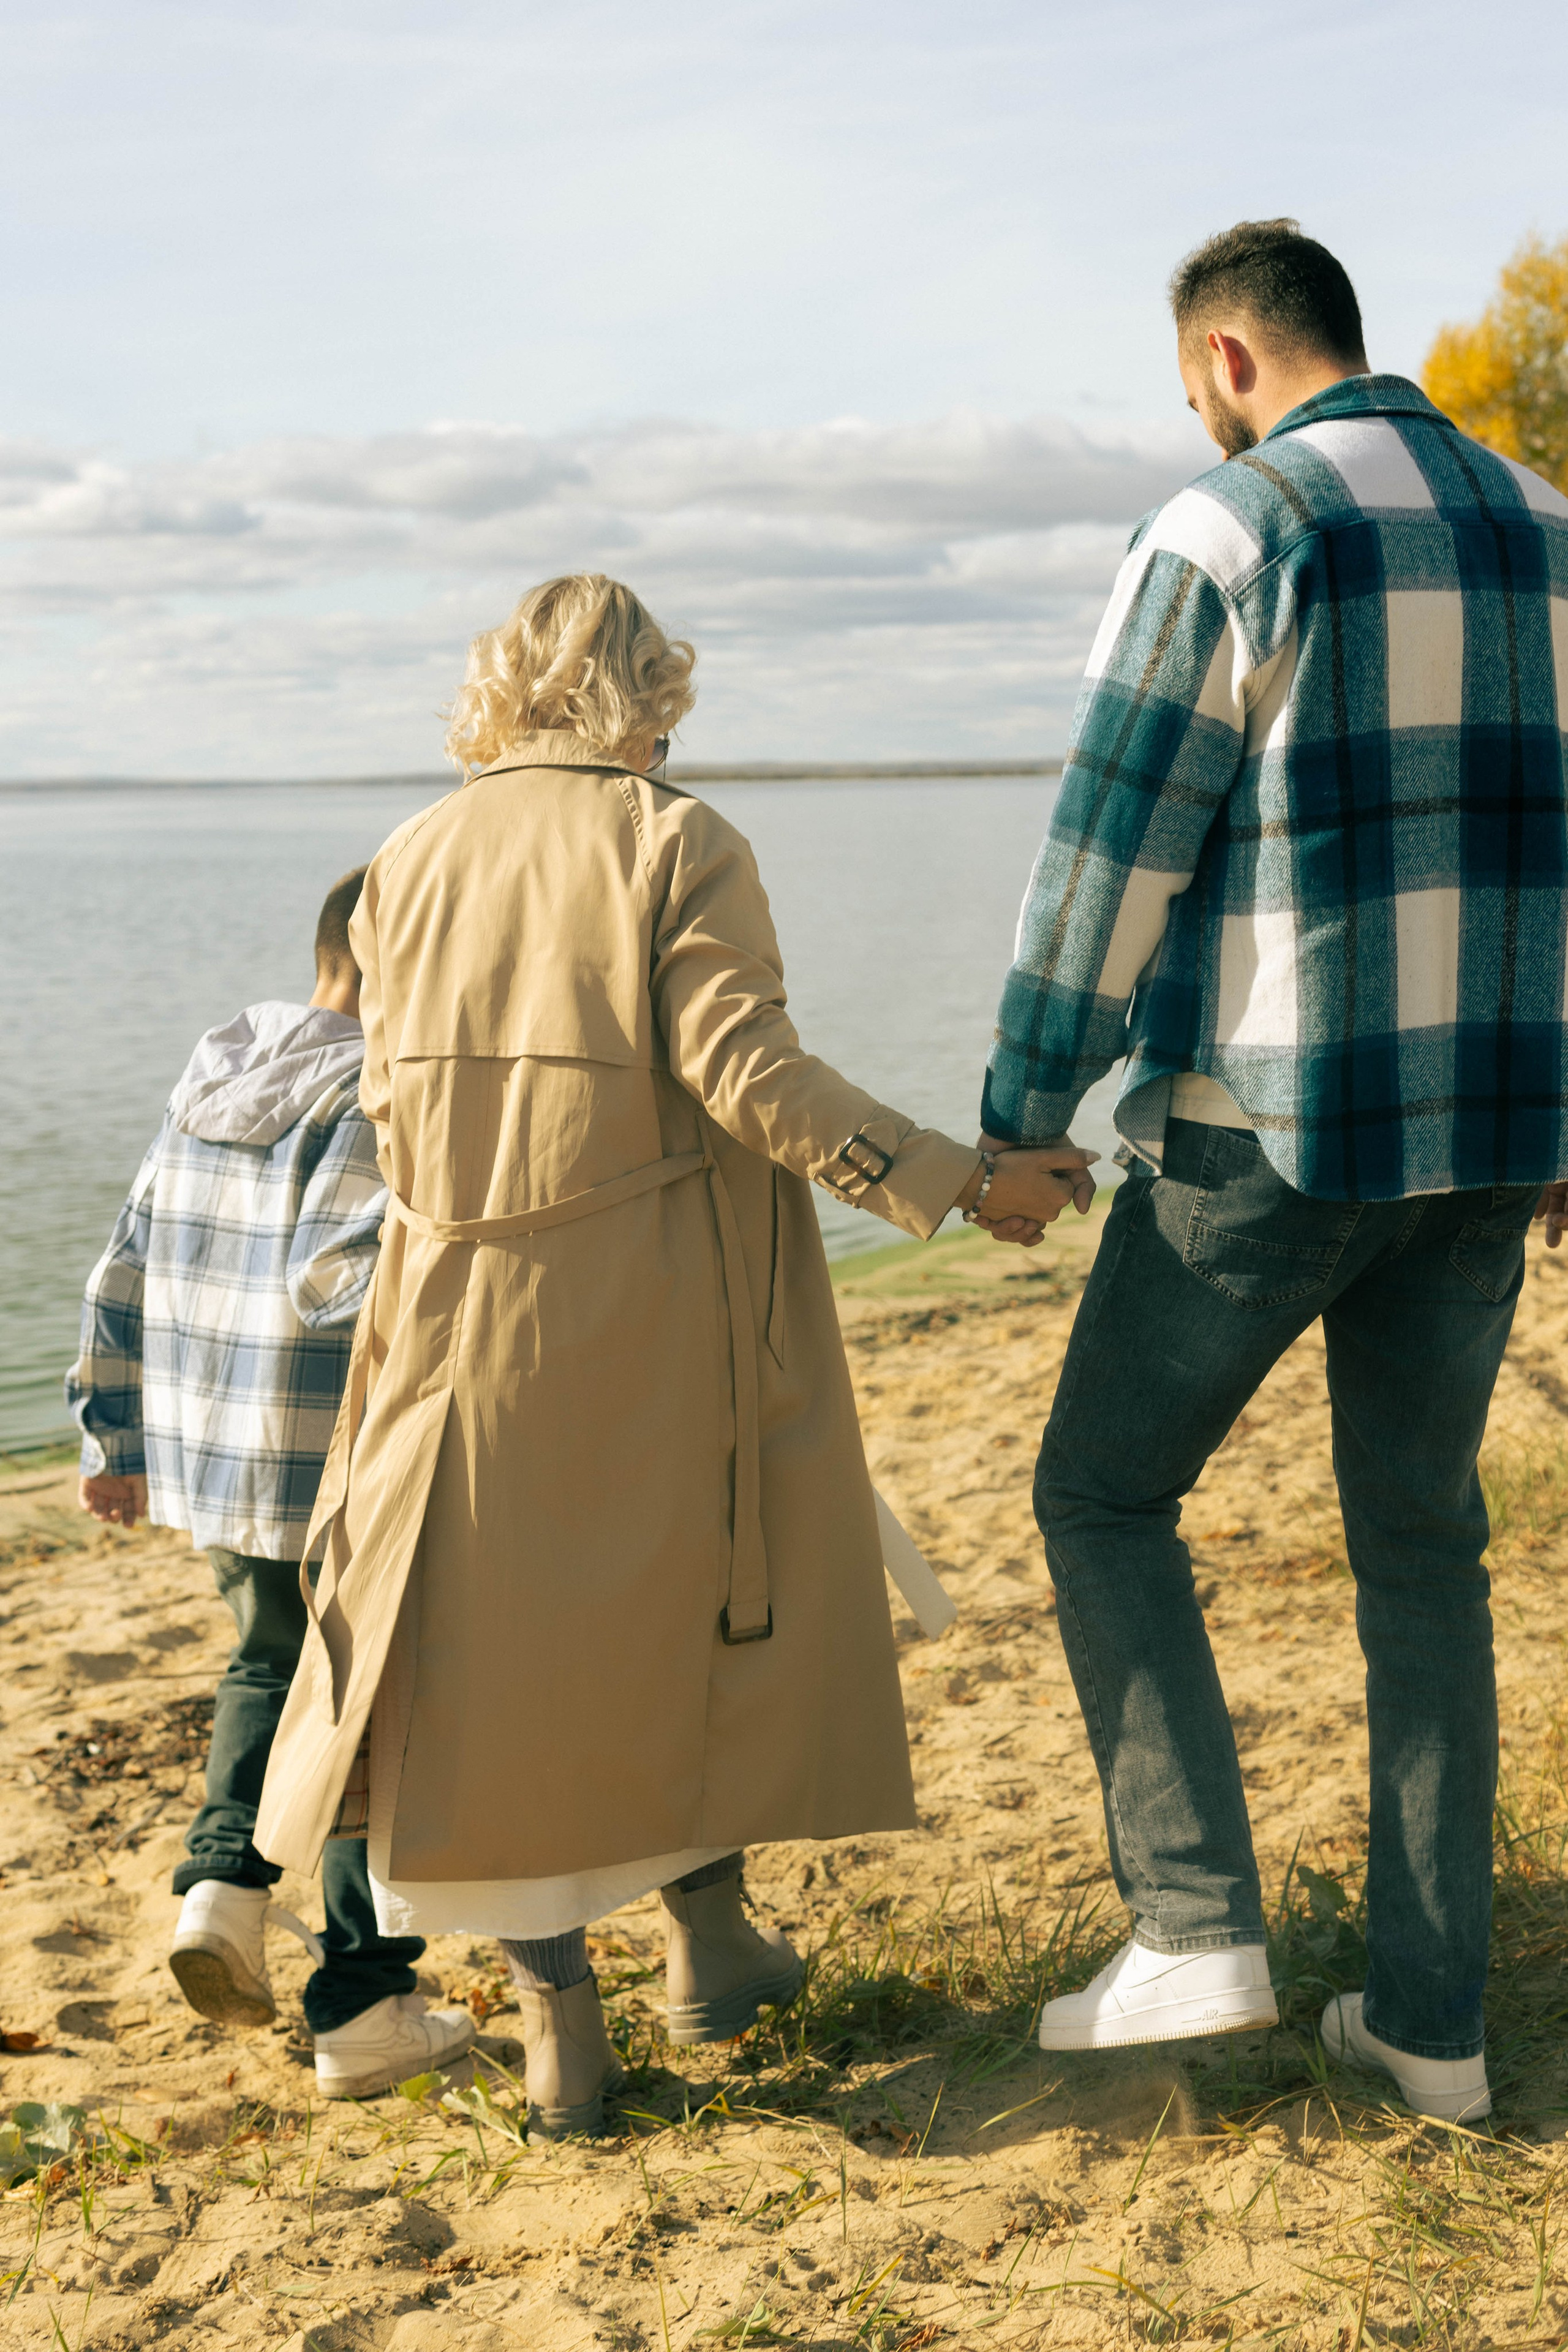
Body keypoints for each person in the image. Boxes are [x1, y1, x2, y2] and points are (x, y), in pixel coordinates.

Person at [253, 573, 1093, 2140]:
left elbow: (380, 1106)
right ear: (651, 693)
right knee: (684, 1621)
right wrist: (961, 1183)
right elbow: (747, 1072)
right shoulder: (676, 838)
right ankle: (703, 1953)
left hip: (442, 1311)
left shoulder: (403, 862)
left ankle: (594, 2016)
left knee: (487, 1680)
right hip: (635, 1311)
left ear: (499, 688)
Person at [981, 219, 1568, 2124]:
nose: (1201, 423)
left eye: (1192, 394)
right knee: (1423, 1550)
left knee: (1101, 1495)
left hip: (1274, 1135)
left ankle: (1195, 1921)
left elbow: (1109, 850)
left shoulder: (1234, 531)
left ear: (1230, 356)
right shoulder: (1551, 529)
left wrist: (1022, 1108)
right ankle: (1433, 2032)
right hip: (1494, 1135)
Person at [67, 869, 476, 2099]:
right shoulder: (386, 1090)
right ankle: (361, 2002)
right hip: (340, 1459)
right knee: (373, 1715)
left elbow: (122, 1260)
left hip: (219, 1452)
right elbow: (354, 1286)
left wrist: (111, 1438)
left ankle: (220, 1893)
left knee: (264, 1664)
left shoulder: (215, 1076)